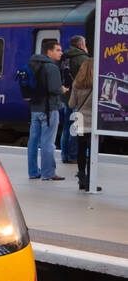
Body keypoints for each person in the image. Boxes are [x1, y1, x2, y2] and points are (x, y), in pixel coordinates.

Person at [27, 38, 67, 182]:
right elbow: (54, 89)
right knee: (48, 142)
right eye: (58, 50)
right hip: (50, 109)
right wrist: (63, 89)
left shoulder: (32, 64)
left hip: (35, 109)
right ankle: (48, 173)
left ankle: (32, 172)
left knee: (33, 141)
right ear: (49, 51)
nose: (61, 53)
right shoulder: (52, 67)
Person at [59, 36, 91, 164]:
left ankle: (65, 155)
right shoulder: (83, 59)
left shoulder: (64, 57)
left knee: (66, 127)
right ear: (81, 45)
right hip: (79, 98)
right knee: (76, 127)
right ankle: (73, 156)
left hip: (66, 97)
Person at [70, 59, 95, 191]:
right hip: (94, 122)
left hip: (80, 119)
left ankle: (82, 180)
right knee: (92, 152)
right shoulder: (97, 84)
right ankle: (91, 181)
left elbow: (71, 104)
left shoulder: (76, 84)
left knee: (81, 150)